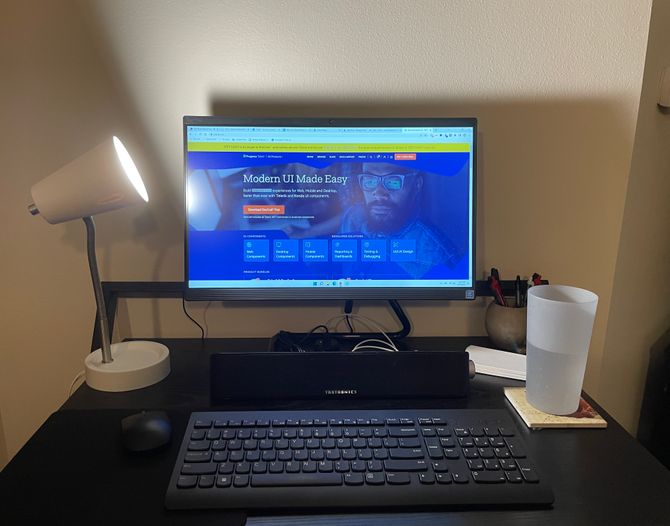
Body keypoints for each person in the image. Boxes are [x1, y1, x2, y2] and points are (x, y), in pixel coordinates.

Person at [340, 162, 460, 278]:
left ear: (417, 184)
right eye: (369, 180)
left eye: (393, 181)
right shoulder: (352, 219)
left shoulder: (437, 256)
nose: (378, 193)